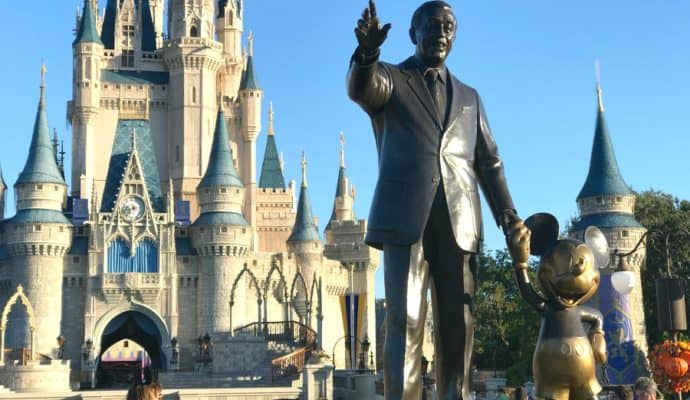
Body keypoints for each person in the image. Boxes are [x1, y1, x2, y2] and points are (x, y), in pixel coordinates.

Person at [347, 1, 519, 399]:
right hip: (407, 221)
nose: (442, 32)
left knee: (458, 326)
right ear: (412, 33)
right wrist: (369, 53)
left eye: (450, 26)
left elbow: (490, 163)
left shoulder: (470, 98)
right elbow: (360, 88)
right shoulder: (391, 79)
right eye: (433, 24)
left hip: (460, 223)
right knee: (405, 322)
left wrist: (509, 217)